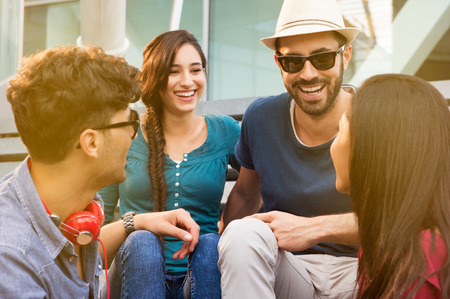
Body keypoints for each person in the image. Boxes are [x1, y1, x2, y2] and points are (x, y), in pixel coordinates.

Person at [0, 45, 201, 298]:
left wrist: (137, 221)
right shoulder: (11, 261)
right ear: (91, 143)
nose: (133, 134)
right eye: (130, 122)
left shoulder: (72, 206)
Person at [218, 0, 362, 297]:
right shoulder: (261, 118)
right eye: (293, 62)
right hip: (290, 273)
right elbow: (246, 194)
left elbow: (406, 219)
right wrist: (227, 242)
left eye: (322, 58)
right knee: (243, 234)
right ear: (277, 63)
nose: (308, 74)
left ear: (345, 55)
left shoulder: (377, 118)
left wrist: (313, 229)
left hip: (365, 272)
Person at [99, 30, 240, 298]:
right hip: (132, 273)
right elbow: (99, 222)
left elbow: (255, 184)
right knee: (142, 242)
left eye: (195, 70)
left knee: (211, 244)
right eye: (174, 72)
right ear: (154, 78)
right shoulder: (126, 133)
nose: (187, 81)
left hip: (200, 276)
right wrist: (139, 224)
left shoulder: (226, 132)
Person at [330, 73, 450, 298]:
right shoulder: (389, 242)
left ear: (370, 149)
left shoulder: (417, 261)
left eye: (340, 130)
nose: (333, 145)